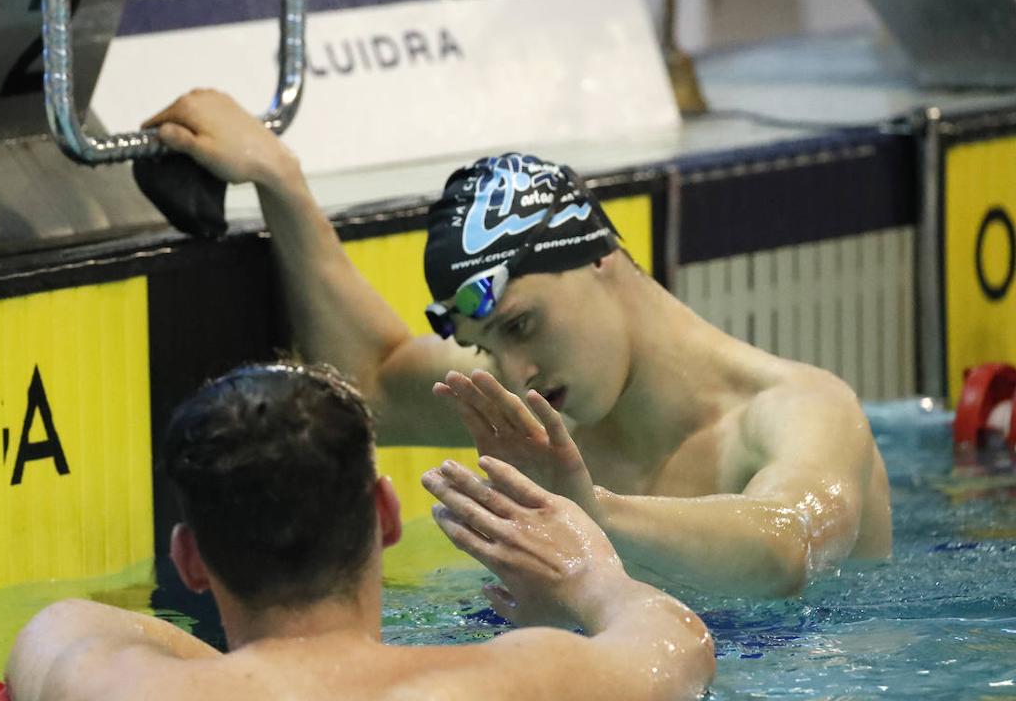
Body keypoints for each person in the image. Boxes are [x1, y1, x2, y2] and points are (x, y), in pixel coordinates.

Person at [139, 90, 893, 598]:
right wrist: (281, 180)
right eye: (489, 345)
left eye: (522, 325)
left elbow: (787, 546)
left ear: (602, 257)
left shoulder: (797, 409)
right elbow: (368, 384)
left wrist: (594, 511)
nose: (517, 373)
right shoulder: (545, 412)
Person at [6, 363, 714, 701]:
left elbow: (61, 624)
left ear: (190, 562)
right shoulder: (509, 691)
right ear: (386, 515)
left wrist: (257, 682)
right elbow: (679, 644)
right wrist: (590, 571)